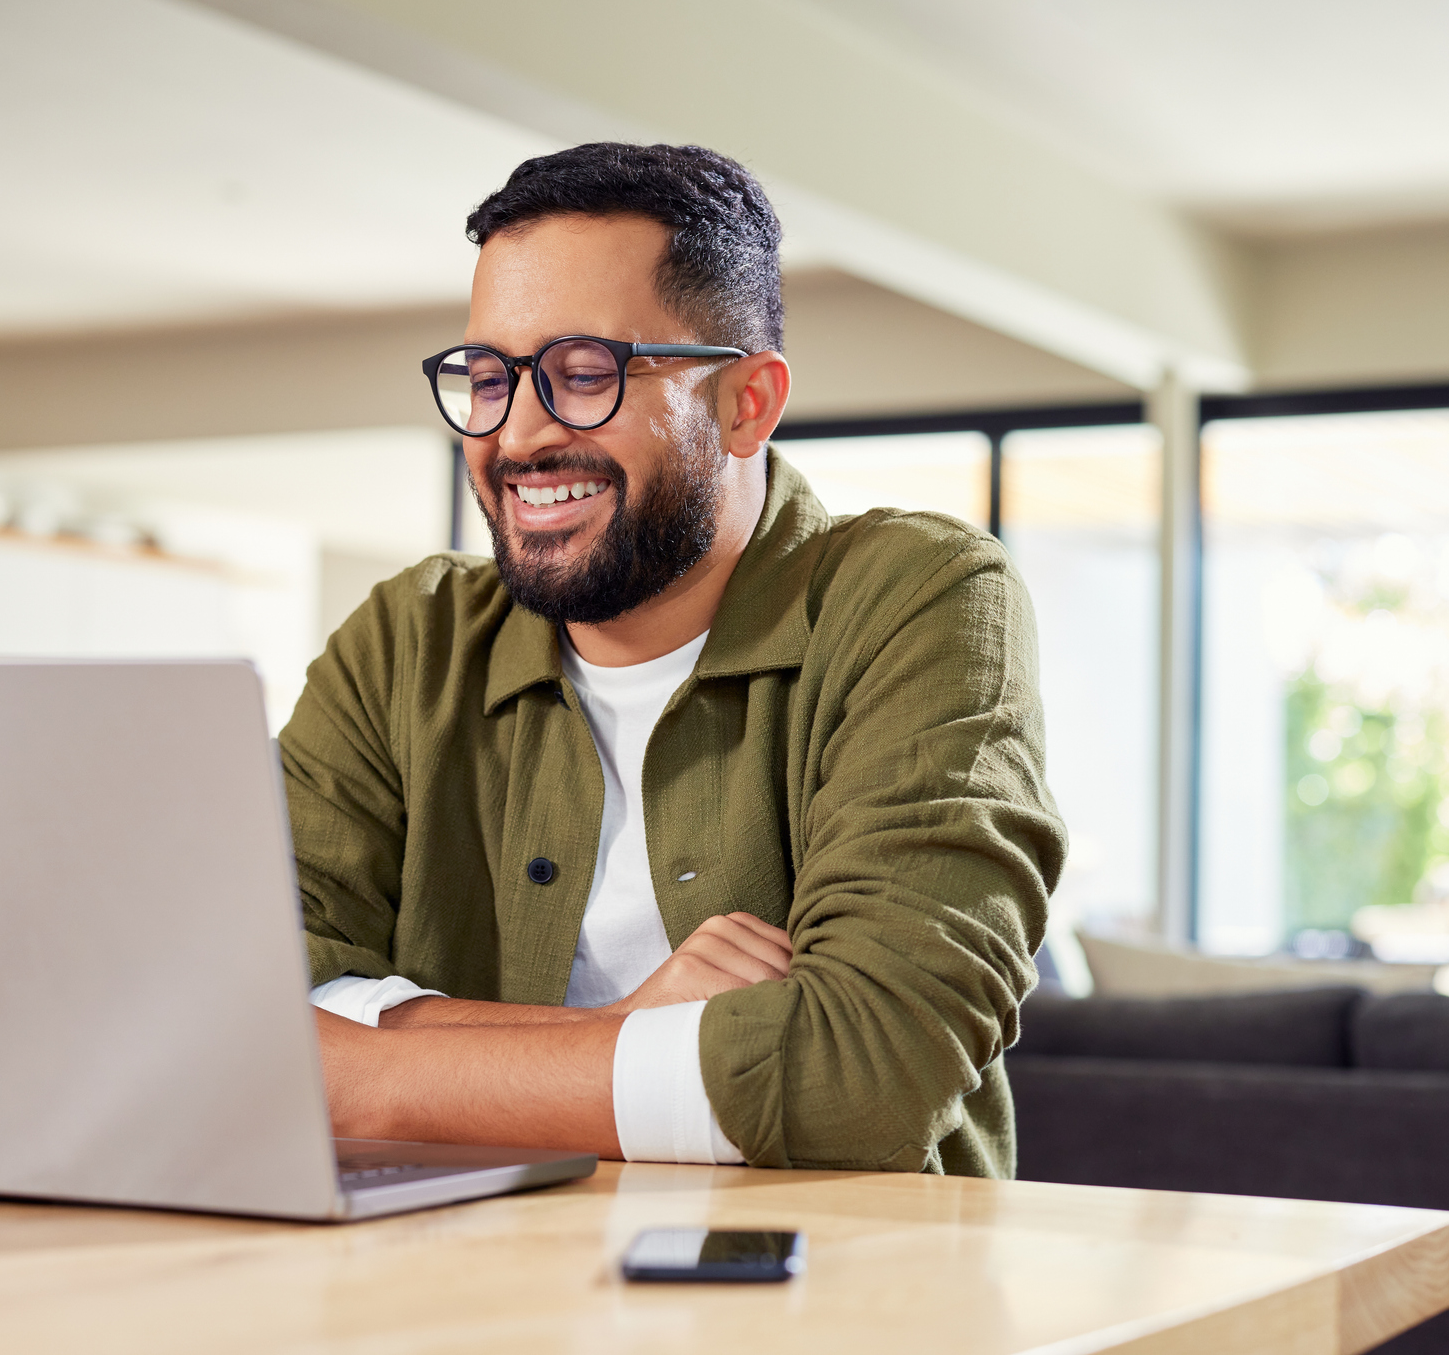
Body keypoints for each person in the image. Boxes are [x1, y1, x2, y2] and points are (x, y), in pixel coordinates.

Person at [287, 142, 1064, 1177]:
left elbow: (864, 1071)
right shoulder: (405, 641)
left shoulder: (917, 599)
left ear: (745, 402)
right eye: (486, 377)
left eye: (583, 374)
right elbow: (235, 1000)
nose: (515, 435)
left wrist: (364, 1076)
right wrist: (632, 1034)